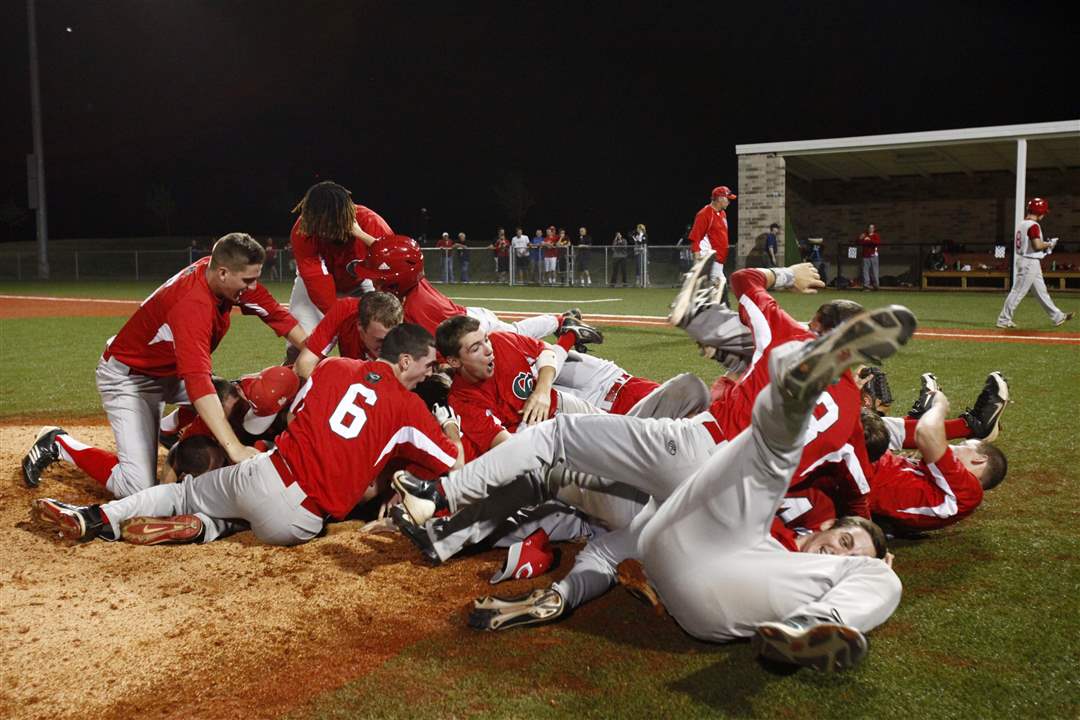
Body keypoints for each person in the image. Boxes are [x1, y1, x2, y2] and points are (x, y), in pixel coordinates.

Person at [397, 305, 915, 670]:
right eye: (844, 540)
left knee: (569, 480)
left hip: (698, 565)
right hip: (690, 537)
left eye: (846, 552)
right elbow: (853, 492)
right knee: (703, 448)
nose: (837, 550)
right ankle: (541, 574)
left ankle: (446, 506)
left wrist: (866, 554)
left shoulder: (799, 547)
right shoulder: (803, 515)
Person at [31, 324, 464, 547]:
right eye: (427, 365)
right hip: (299, 523)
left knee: (181, 494)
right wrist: (450, 426)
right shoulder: (411, 409)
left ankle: (97, 519)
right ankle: (208, 529)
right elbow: (454, 464)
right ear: (404, 361)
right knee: (248, 521)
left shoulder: (334, 366)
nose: (429, 374)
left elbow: (296, 416)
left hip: (265, 474)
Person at [21, 234, 306, 499]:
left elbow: (277, 316)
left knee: (231, 399)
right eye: (248, 280)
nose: (253, 287)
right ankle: (58, 442)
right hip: (131, 380)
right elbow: (198, 385)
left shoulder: (222, 276)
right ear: (223, 273)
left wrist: (317, 356)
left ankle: (168, 431)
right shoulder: (192, 304)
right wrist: (235, 449)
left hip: (169, 370)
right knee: (135, 488)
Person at [362, 235, 565, 340]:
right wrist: (360, 233)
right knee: (516, 332)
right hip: (468, 318)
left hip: (475, 329)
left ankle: (562, 321)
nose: (374, 283)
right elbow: (394, 258)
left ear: (395, 282)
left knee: (518, 337)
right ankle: (559, 320)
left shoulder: (416, 309)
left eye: (379, 279)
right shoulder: (412, 282)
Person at [286, 181, 391, 343]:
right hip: (314, 286)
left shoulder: (370, 221)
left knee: (377, 337)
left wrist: (362, 235)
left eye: (327, 221)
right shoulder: (303, 229)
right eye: (316, 220)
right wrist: (342, 322)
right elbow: (316, 282)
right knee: (300, 345)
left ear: (342, 216)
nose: (321, 228)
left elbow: (394, 262)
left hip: (359, 282)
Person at [996, 197, 1074, 328]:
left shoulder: (1022, 223)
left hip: (1028, 260)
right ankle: (1003, 319)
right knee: (1017, 292)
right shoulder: (1033, 225)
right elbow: (1037, 246)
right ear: (1040, 212)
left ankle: (1057, 316)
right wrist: (1049, 244)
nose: (1044, 215)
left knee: (1041, 292)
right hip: (1029, 262)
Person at [294, 291, 404, 378]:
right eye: (380, 340)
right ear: (360, 326)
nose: (387, 346)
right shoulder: (345, 311)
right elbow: (304, 364)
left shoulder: (410, 331)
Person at [688, 186, 736, 289]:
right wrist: (697, 260)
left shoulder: (722, 213)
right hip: (709, 259)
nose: (729, 202)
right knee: (720, 288)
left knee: (712, 291)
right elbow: (695, 238)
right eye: (728, 199)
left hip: (719, 260)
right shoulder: (704, 214)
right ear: (720, 198)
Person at [858, 224, 881, 291]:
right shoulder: (864, 235)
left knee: (874, 271)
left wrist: (869, 240)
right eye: (869, 228)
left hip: (873, 255)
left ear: (874, 229)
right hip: (865, 256)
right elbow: (859, 242)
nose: (870, 229)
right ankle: (866, 286)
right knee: (865, 271)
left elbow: (877, 243)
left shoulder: (876, 235)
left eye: (872, 228)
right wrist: (860, 238)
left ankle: (876, 286)